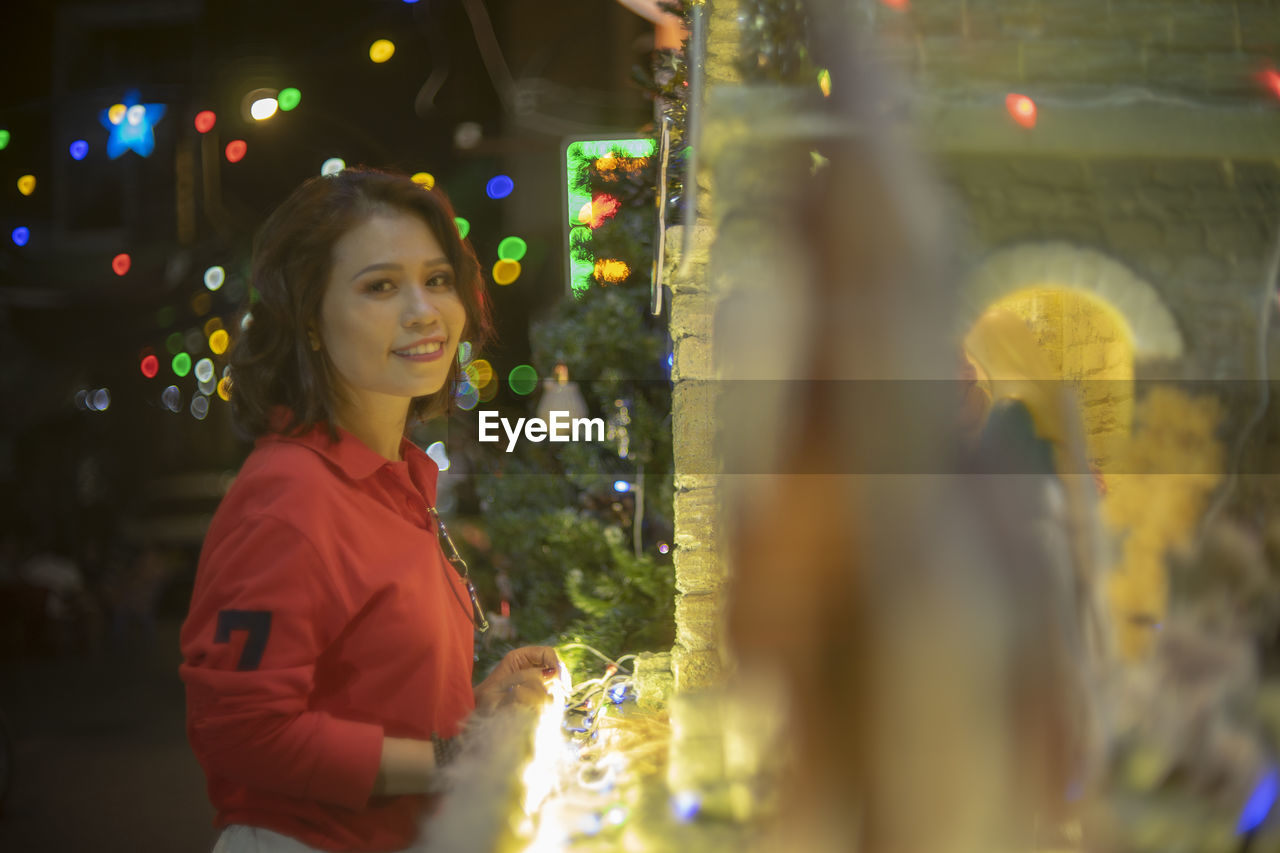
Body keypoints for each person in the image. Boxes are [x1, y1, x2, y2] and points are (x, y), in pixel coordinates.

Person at [179, 168, 560, 853]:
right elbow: (242, 734)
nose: (423, 309)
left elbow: (371, 701)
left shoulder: (398, 479)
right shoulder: (289, 495)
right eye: (380, 286)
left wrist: (476, 708)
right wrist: (449, 756)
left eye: (437, 279)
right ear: (310, 319)